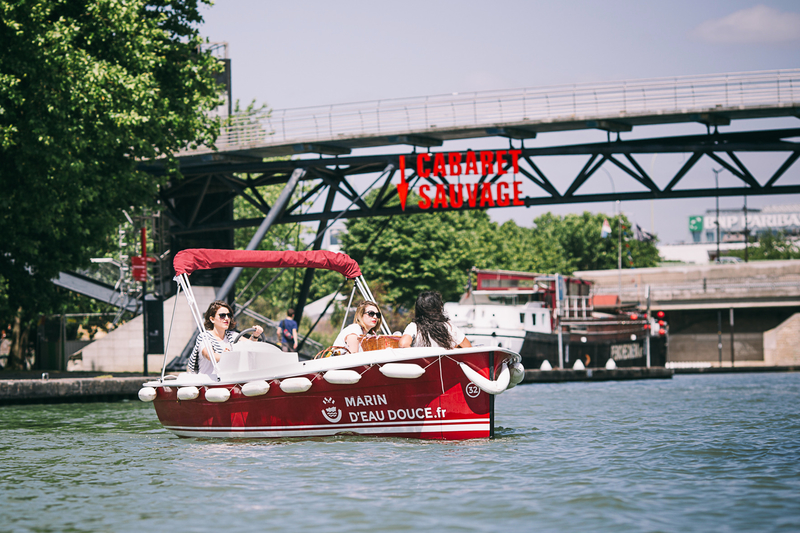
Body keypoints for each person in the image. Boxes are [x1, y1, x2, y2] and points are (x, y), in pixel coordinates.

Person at [188, 300, 263, 375]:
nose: (227, 318)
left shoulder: (232, 336)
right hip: (207, 383)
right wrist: (227, 357)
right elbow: (209, 355)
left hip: (227, 381)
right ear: (212, 319)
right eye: (222, 315)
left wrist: (255, 335)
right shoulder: (204, 337)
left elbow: (250, 346)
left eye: (229, 315)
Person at [399, 291, 472, 349]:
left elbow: (403, 344)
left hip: (422, 366)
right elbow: (468, 347)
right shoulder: (448, 326)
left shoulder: (414, 326)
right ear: (438, 307)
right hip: (445, 366)